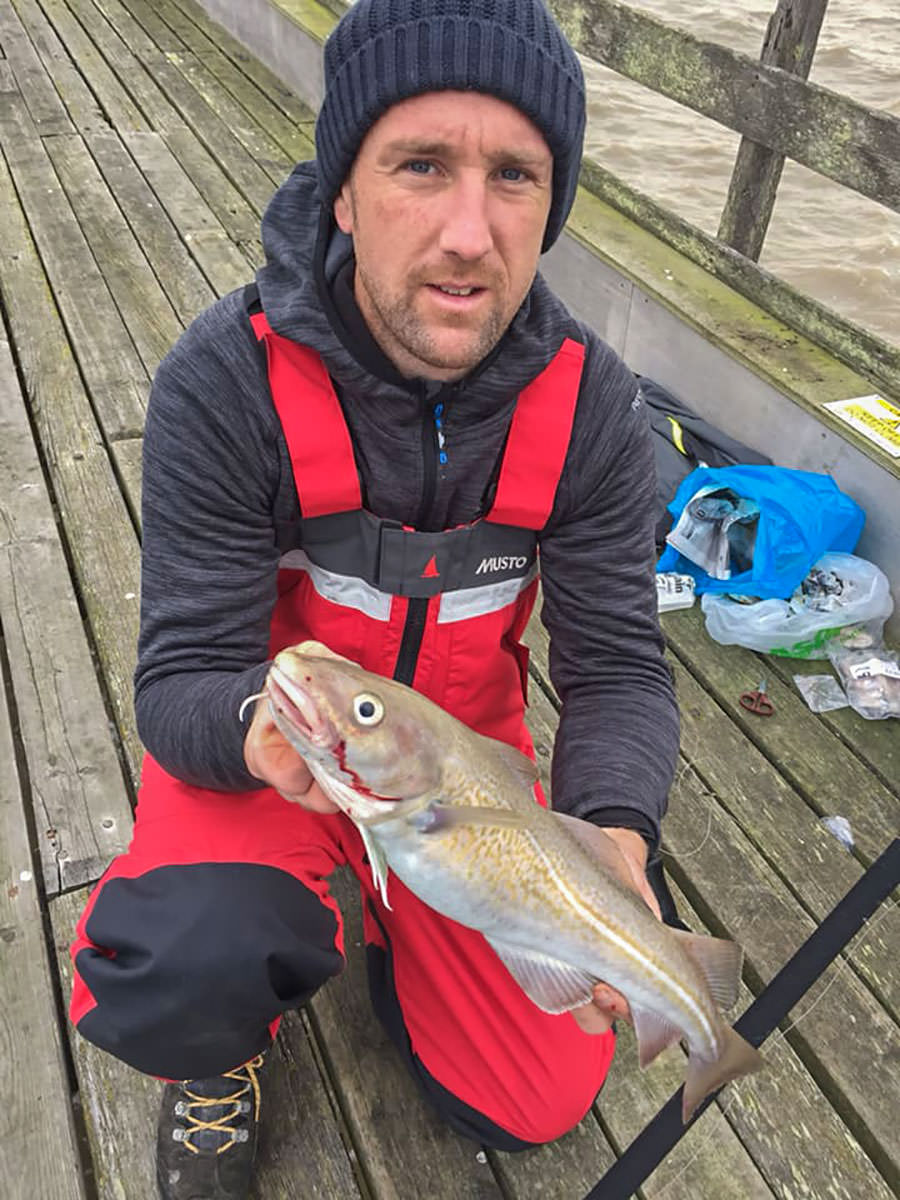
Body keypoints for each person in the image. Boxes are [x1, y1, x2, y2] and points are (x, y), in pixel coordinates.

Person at [69, 1, 680, 1196]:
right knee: (180, 967)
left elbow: (617, 667)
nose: (468, 230)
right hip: (283, 743)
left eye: (515, 176)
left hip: (467, 778)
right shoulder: (224, 381)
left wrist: (613, 833)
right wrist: (259, 731)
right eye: (420, 165)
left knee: (536, 1095)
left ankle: (400, 924)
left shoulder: (596, 409)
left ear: (551, 208)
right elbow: (182, 674)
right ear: (342, 191)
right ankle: (233, 1030)